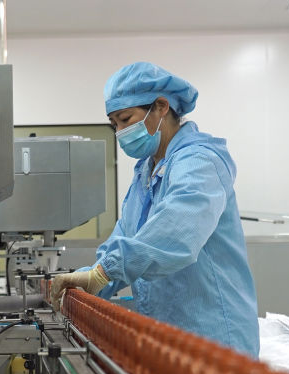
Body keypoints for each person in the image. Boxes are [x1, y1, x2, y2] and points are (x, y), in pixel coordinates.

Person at [50, 62, 259, 356]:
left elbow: (176, 233)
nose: (120, 132)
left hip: (214, 340)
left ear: (161, 107)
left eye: (126, 119)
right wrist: (86, 280)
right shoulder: (146, 172)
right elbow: (127, 238)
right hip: (167, 336)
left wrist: (102, 273)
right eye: (114, 124)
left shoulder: (199, 162)